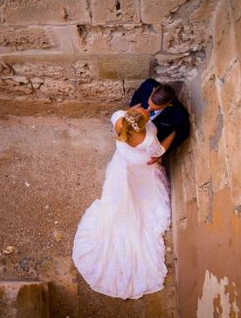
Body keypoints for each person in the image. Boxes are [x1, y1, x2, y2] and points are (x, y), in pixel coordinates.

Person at [72, 107, 171, 299]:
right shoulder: (149, 139)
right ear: (142, 125)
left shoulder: (118, 118)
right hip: (140, 165)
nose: (145, 109)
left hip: (124, 161)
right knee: (143, 195)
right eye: (145, 112)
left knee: (121, 194)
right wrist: (173, 134)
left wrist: (135, 113)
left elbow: (130, 112)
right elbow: (158, 152)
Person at [130, 78, 190, 164]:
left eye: (153, 108)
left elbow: (181, 133)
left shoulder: (179, 115)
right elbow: (136, 96)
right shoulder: (148, 85)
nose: (148, 110)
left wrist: (161, 153)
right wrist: (133, 116)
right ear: (153, 90)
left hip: (150, 145)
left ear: (169, 105)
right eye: (149, 104)